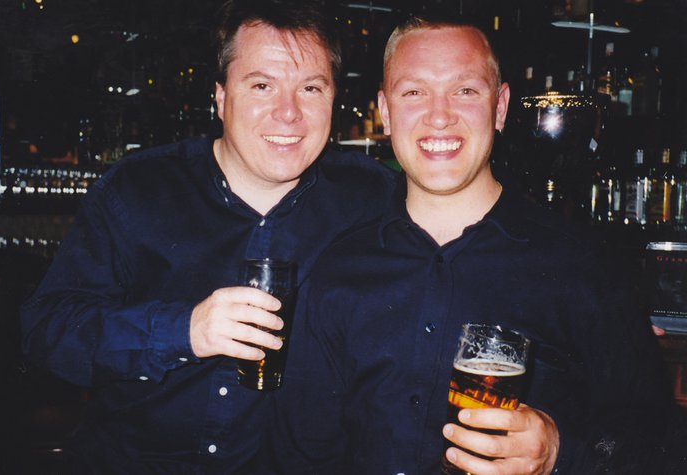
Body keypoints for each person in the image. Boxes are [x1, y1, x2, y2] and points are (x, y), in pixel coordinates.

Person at [269, 15, 685, 474]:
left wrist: (558, 452)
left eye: (465, 90)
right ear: (385, 111)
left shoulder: (582, 265)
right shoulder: (337, 270)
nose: (439, 116)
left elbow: (660, 444)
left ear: (500, 107)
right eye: (414, 93)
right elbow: (301, 455)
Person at [19, 0, 395, 472]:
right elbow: (46, 331)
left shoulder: (373, 197)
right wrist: (183, 330)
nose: (289, 112)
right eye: (262, 85)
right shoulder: (138, 188)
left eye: (311, 88)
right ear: (221, 97)